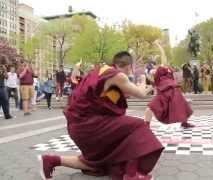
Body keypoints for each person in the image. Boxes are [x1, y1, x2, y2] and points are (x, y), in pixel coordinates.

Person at [38, 51, 163, 180]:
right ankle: (131, 175)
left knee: (98, 164)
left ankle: (51, 160)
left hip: (80, 126)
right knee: (139, 126)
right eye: (131, 68)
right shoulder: (118, 76)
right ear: (129, 66)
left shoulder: (100, 71)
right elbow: (141, 94)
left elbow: (113, 96)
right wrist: (143, 81)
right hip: (90, 126)